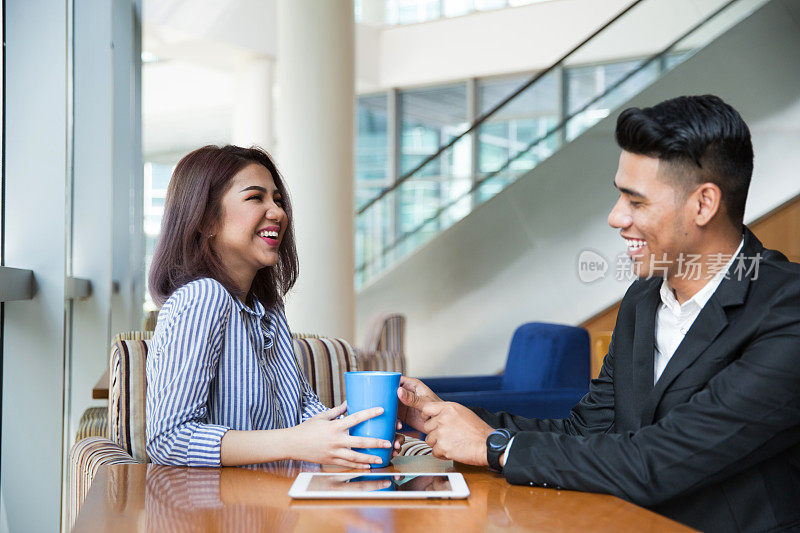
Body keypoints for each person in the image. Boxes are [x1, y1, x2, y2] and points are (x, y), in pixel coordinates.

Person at [396, 95, 800, 532]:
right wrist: (448, 418)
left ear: (703, 204)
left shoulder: (786, 308)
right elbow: (588, 430)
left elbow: (656, 462)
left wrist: (496, 446)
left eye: (636, 201)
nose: (615, 217)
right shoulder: (644, 298)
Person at [146, 145, 401, 468]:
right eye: (256, 198)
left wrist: (360, 431)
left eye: (277, 201)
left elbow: (301, 409)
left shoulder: (267, 307)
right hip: (220, 513)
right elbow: (167, 440)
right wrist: (295, 442)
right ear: (205, 220)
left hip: (280, 505)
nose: (278, 213)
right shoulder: (202, 298)